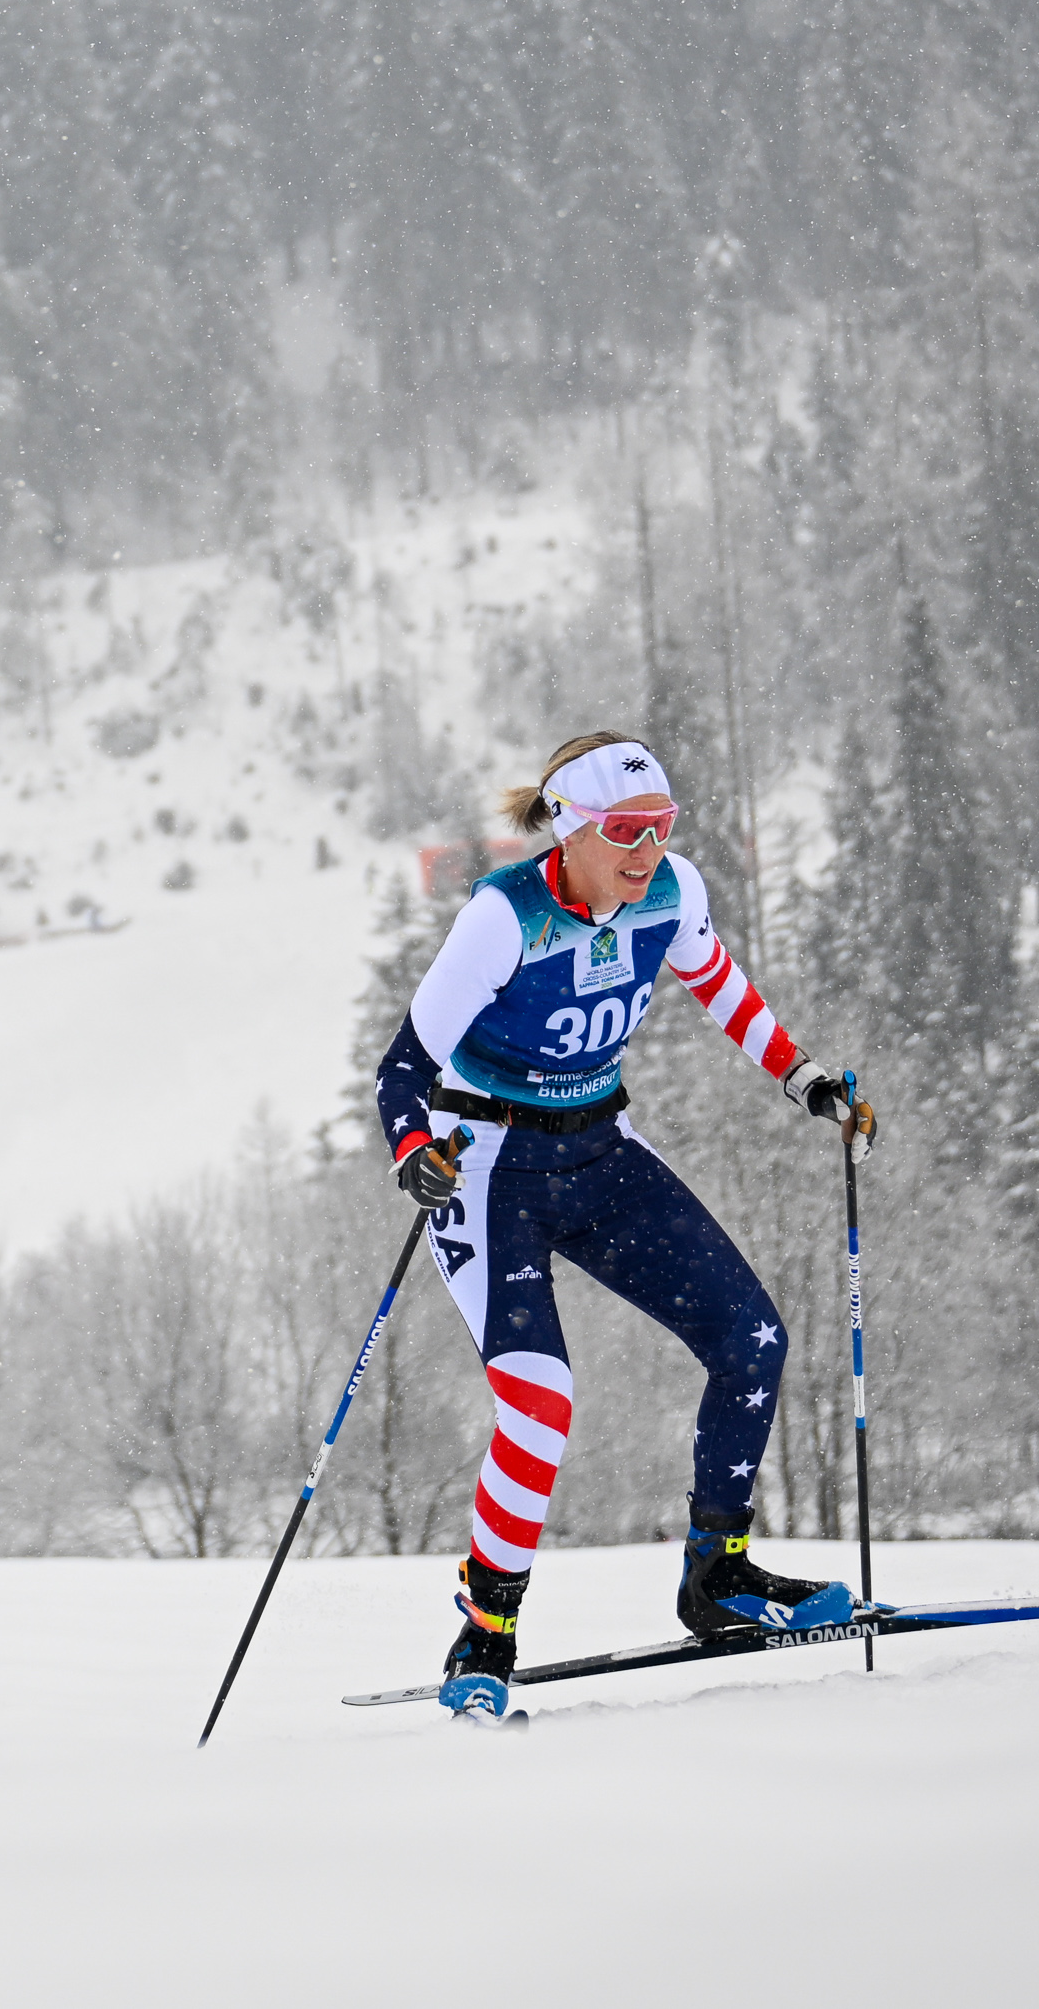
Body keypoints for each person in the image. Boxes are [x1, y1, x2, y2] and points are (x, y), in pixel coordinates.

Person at [377, 730, 872, 1718]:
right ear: (570, 828)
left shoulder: (671, 893)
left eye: (661, 826)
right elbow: (401, 1068)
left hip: (601, 1154)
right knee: (539, 1399)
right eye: (625, 830)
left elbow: (724, 989)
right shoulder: (503, 918)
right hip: (489, 1171)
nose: (647, 850)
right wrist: (412, 1150)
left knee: (753, 1339)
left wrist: (805, 1077)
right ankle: (486, 1630)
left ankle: (718, 1575)